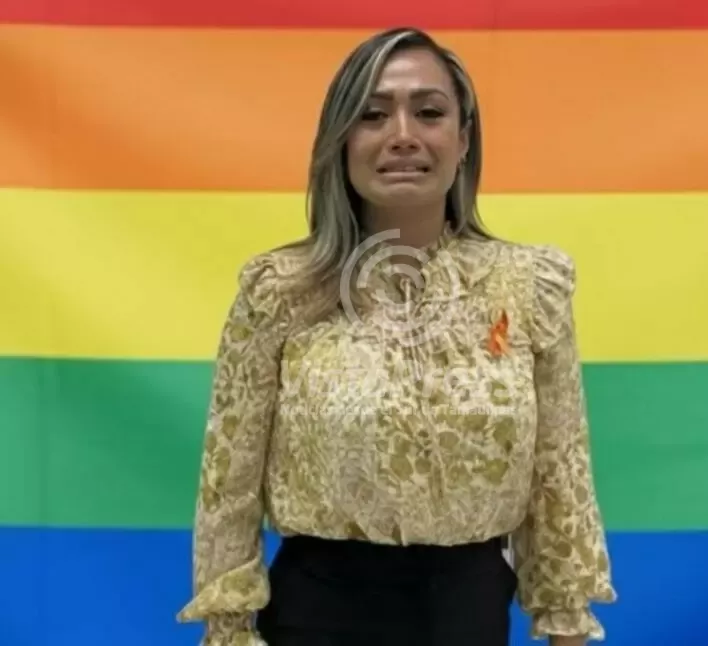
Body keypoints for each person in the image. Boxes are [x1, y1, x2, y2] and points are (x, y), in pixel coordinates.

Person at [176, 26, 616, 646]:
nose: (402, 135)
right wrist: (228, 630)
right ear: (340, 139)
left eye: (429, 113)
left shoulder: (526, 287)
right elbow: (228, 485)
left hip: (469, 617)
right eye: (373, 114)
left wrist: (566, 627)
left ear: (463, 139)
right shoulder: (280, 292)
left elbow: (560, 477)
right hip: (319, 617)